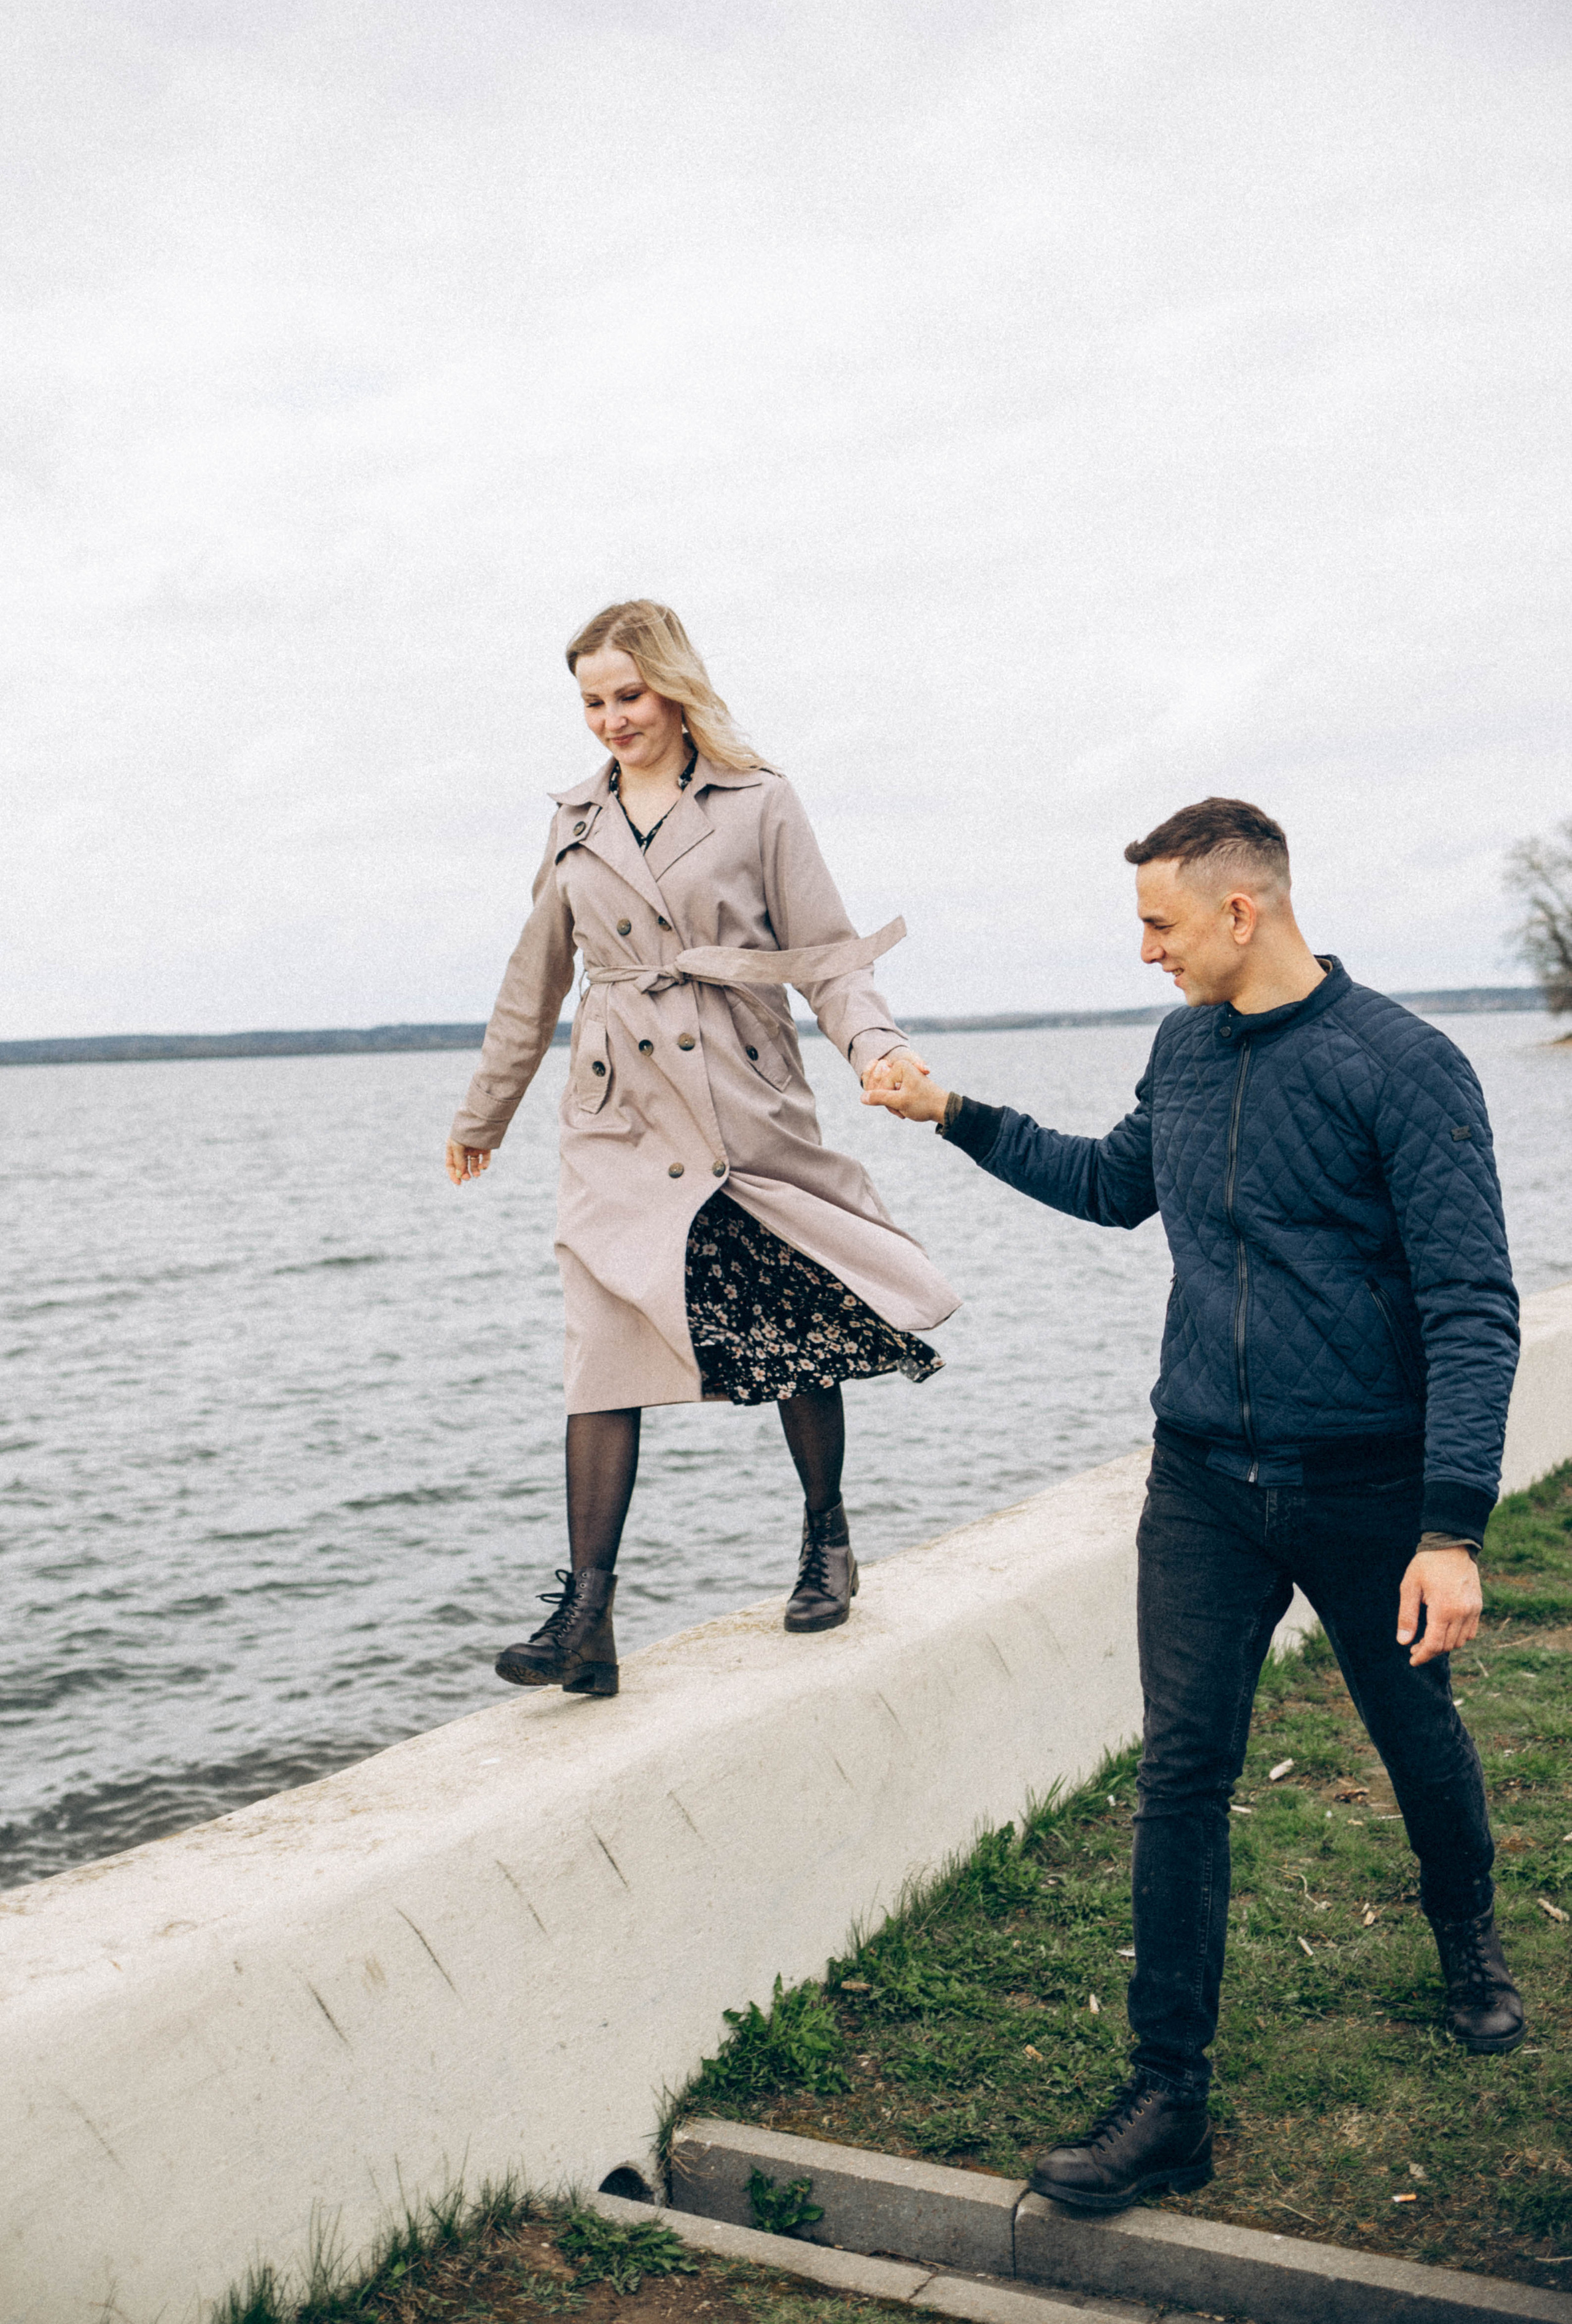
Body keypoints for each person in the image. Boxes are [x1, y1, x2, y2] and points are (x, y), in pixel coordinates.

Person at [863, 797, 1523, 2213]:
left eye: (1159, 922)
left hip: (1365, 1485)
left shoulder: (1401, 1066)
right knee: (1179, 1773)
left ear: (1242, 909)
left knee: (1414, 1734)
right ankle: (1167, 2094)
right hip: (1201, 1478)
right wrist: (952, 1112)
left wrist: (1449, 1525)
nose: (1144, 949)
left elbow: (1472, 1303)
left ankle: (1465, 1935)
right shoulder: (1181, 1043)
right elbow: (1114, 1187)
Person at [446, 599, 956, 1698]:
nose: (610, 720)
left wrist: (875, 1048)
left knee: (792, 1318)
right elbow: (532, 983)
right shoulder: (575, 821)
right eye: (591, 701)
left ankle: (827, 1542)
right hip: (619, 1113)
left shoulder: (759, 801)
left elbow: (829, 956)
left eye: (627, 695)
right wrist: (481, 1117)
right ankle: (586, 1618)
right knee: (600, 1346)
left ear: (673, 687)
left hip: (738, 1093)